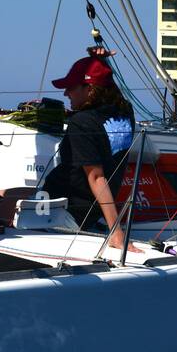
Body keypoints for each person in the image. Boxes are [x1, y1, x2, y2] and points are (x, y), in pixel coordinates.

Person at [41, 50, 135, 249]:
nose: (65, 93)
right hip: (89, 213)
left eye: (71, 87)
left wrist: (116, 232)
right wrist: (100, 62)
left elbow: (96, 178)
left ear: (90, 90)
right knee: (5, 193)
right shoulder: (126, 113)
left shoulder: (82, 122)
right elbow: (107, 83)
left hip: (64, 213)